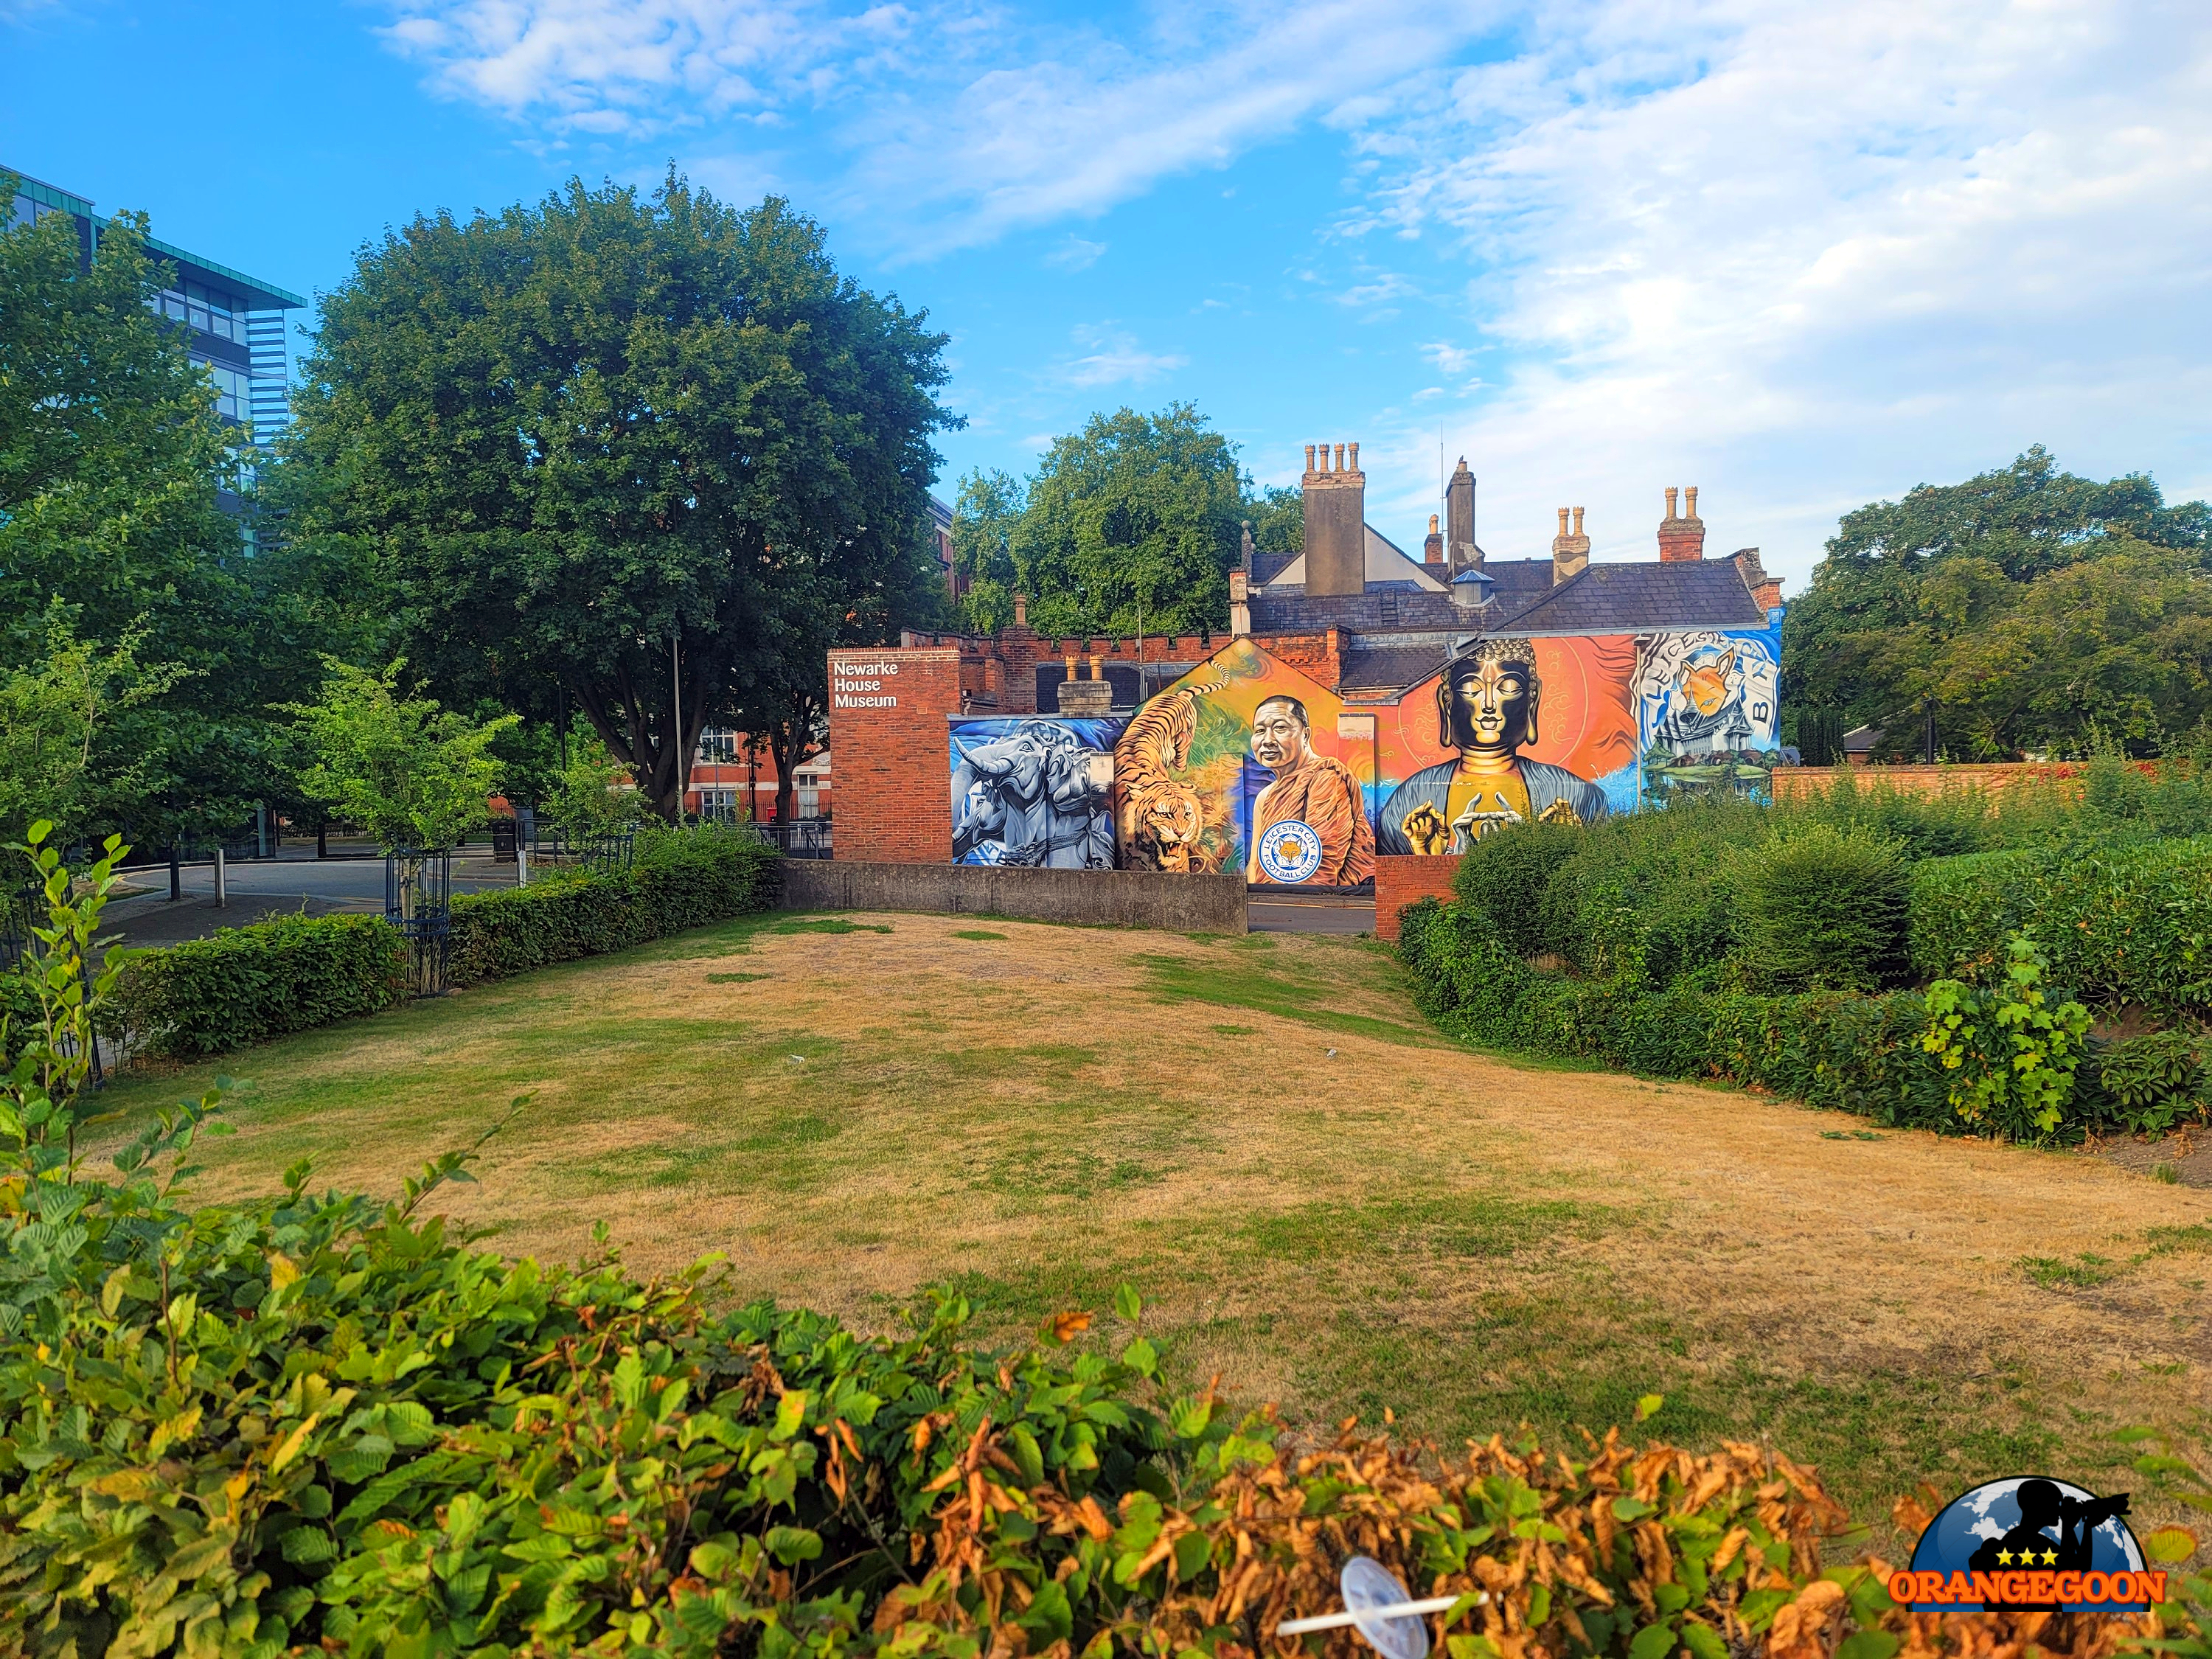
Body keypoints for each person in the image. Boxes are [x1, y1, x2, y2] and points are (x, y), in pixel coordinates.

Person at [1377, 639, 1608, 855]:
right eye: (1470, 690)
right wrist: (1427, 858)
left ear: (1532, 700)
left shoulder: (1575, 795)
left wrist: (1565, 847)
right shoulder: (1411, 799)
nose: (1489, 704)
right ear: (1446, 704)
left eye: (1508, 688)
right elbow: (1397, 884)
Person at [1243, 695, 1374, 885]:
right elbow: (1255, 863)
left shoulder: (1326, 779)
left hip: (1314, 904)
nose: (1267, 740)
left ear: (1306, 735)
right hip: (1273, 902)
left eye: (1280, 728)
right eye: (1260, 730)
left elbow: (1324, 862)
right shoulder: (1265, 796)